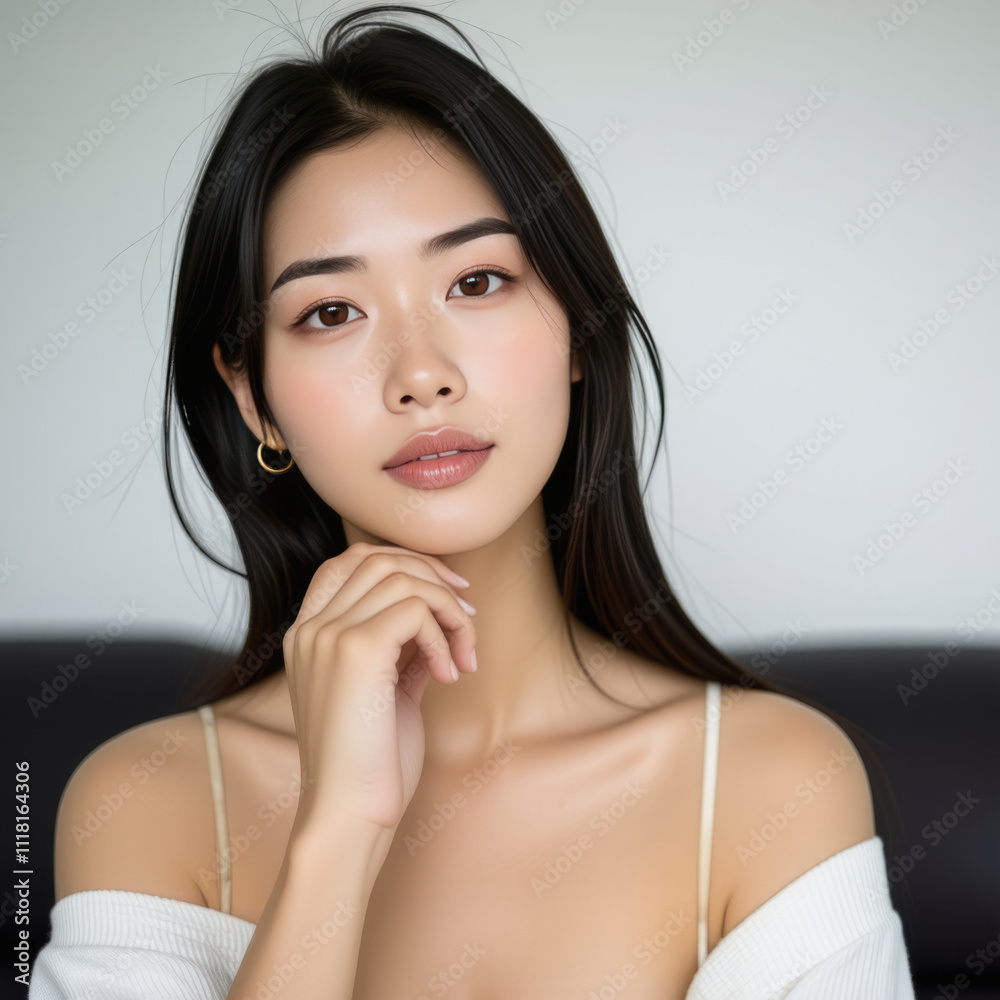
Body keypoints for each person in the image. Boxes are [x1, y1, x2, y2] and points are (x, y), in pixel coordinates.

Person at [30, 5, 916, 997]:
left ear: (577, 330)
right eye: (330, 311)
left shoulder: (766, 780)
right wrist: (338, 829)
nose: (420, 374)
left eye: (480, 280)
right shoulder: (143, 803)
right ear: (253, 396)